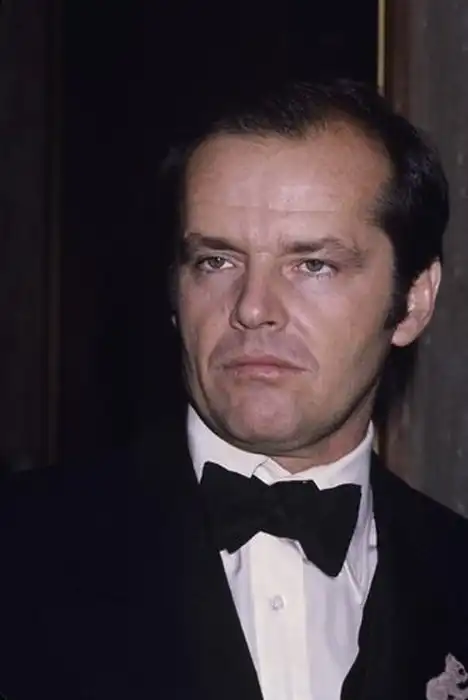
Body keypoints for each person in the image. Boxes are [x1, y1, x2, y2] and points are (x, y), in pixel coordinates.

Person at [1, 79, 468, 700]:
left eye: (313, 265)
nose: (252, 308)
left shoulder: (455, 573)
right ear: (175, 291)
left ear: (412, 302)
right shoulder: (19, 551)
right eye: (216, 261)